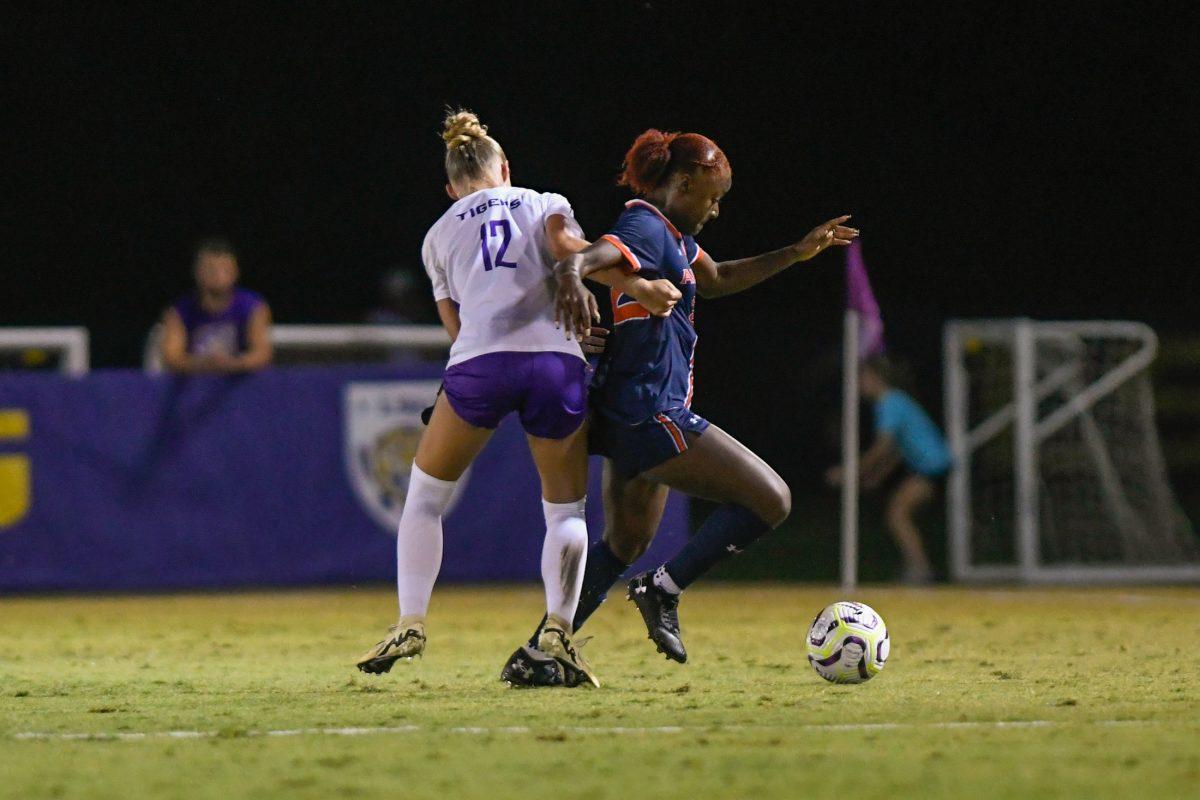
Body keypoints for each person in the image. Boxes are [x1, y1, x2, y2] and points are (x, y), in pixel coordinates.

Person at [355, 111, 681, 685]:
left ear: (452, 187)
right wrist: (637, 285)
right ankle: (557, 628)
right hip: (555, 365)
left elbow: (455, 328)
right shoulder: (540, 199)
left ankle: (411, 621)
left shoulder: (438, 234)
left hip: (480, 365)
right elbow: (569, 250)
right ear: (504, 168)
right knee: (565, 512)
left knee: (425, 499)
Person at [518, 128, 857, 674]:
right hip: (651, 411)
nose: (717, 210)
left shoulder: (671, 235)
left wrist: (795, 253)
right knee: (771, 500)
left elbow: (718, 277)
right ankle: (663, 589)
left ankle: (539, 651)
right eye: (713, 196)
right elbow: (593, 254)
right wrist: (572, 273)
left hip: (629, 410)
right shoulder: (645, 227)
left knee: (625, 542)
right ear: (680, 183)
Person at [826, 356, 952, 584]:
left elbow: (883, 447)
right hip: (933, 467)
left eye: (861, 379)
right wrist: (876, 476)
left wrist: (851, 471)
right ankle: (919, 568)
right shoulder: (896, 401)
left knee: (897, 514)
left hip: (932, 468)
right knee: (899, 514)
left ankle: (921, 570)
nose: (858, 385)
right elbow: (897, 449)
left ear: (875, 378)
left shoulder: (889, 403)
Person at [159, 237, 273, 374]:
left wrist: (234, 364)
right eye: (210, 268)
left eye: (224, 269)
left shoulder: (253, 306)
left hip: (239, 384)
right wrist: (203, 364)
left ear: (236, 271)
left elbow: (262, 353)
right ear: (196, 272)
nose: (217, 274)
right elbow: (172, 357)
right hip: (193, 384)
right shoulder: (179, 311)